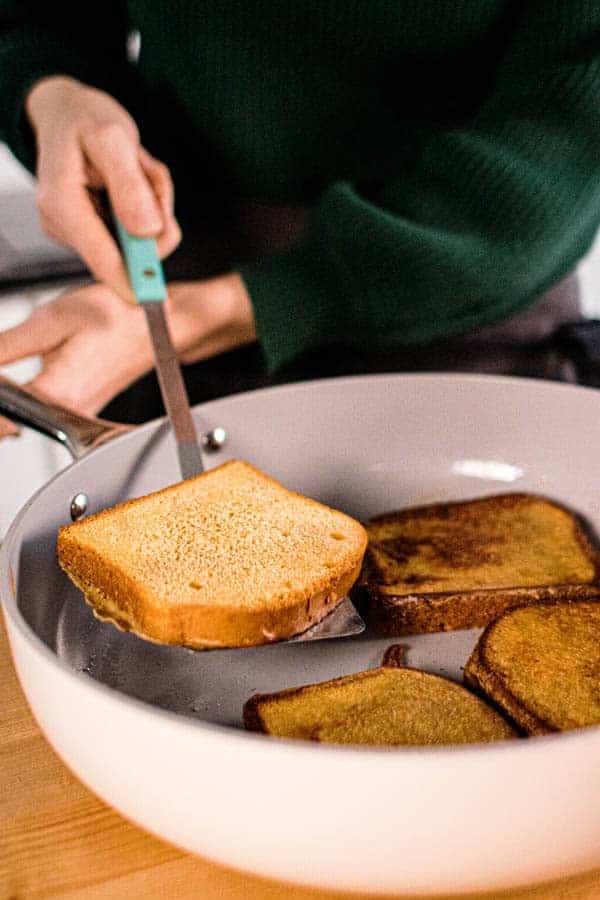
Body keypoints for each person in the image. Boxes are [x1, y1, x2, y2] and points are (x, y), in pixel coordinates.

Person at [0, 2, 599, 432]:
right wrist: (54, 93)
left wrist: (227, 308)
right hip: (179, 257)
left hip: (469, 285)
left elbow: (561, 144)